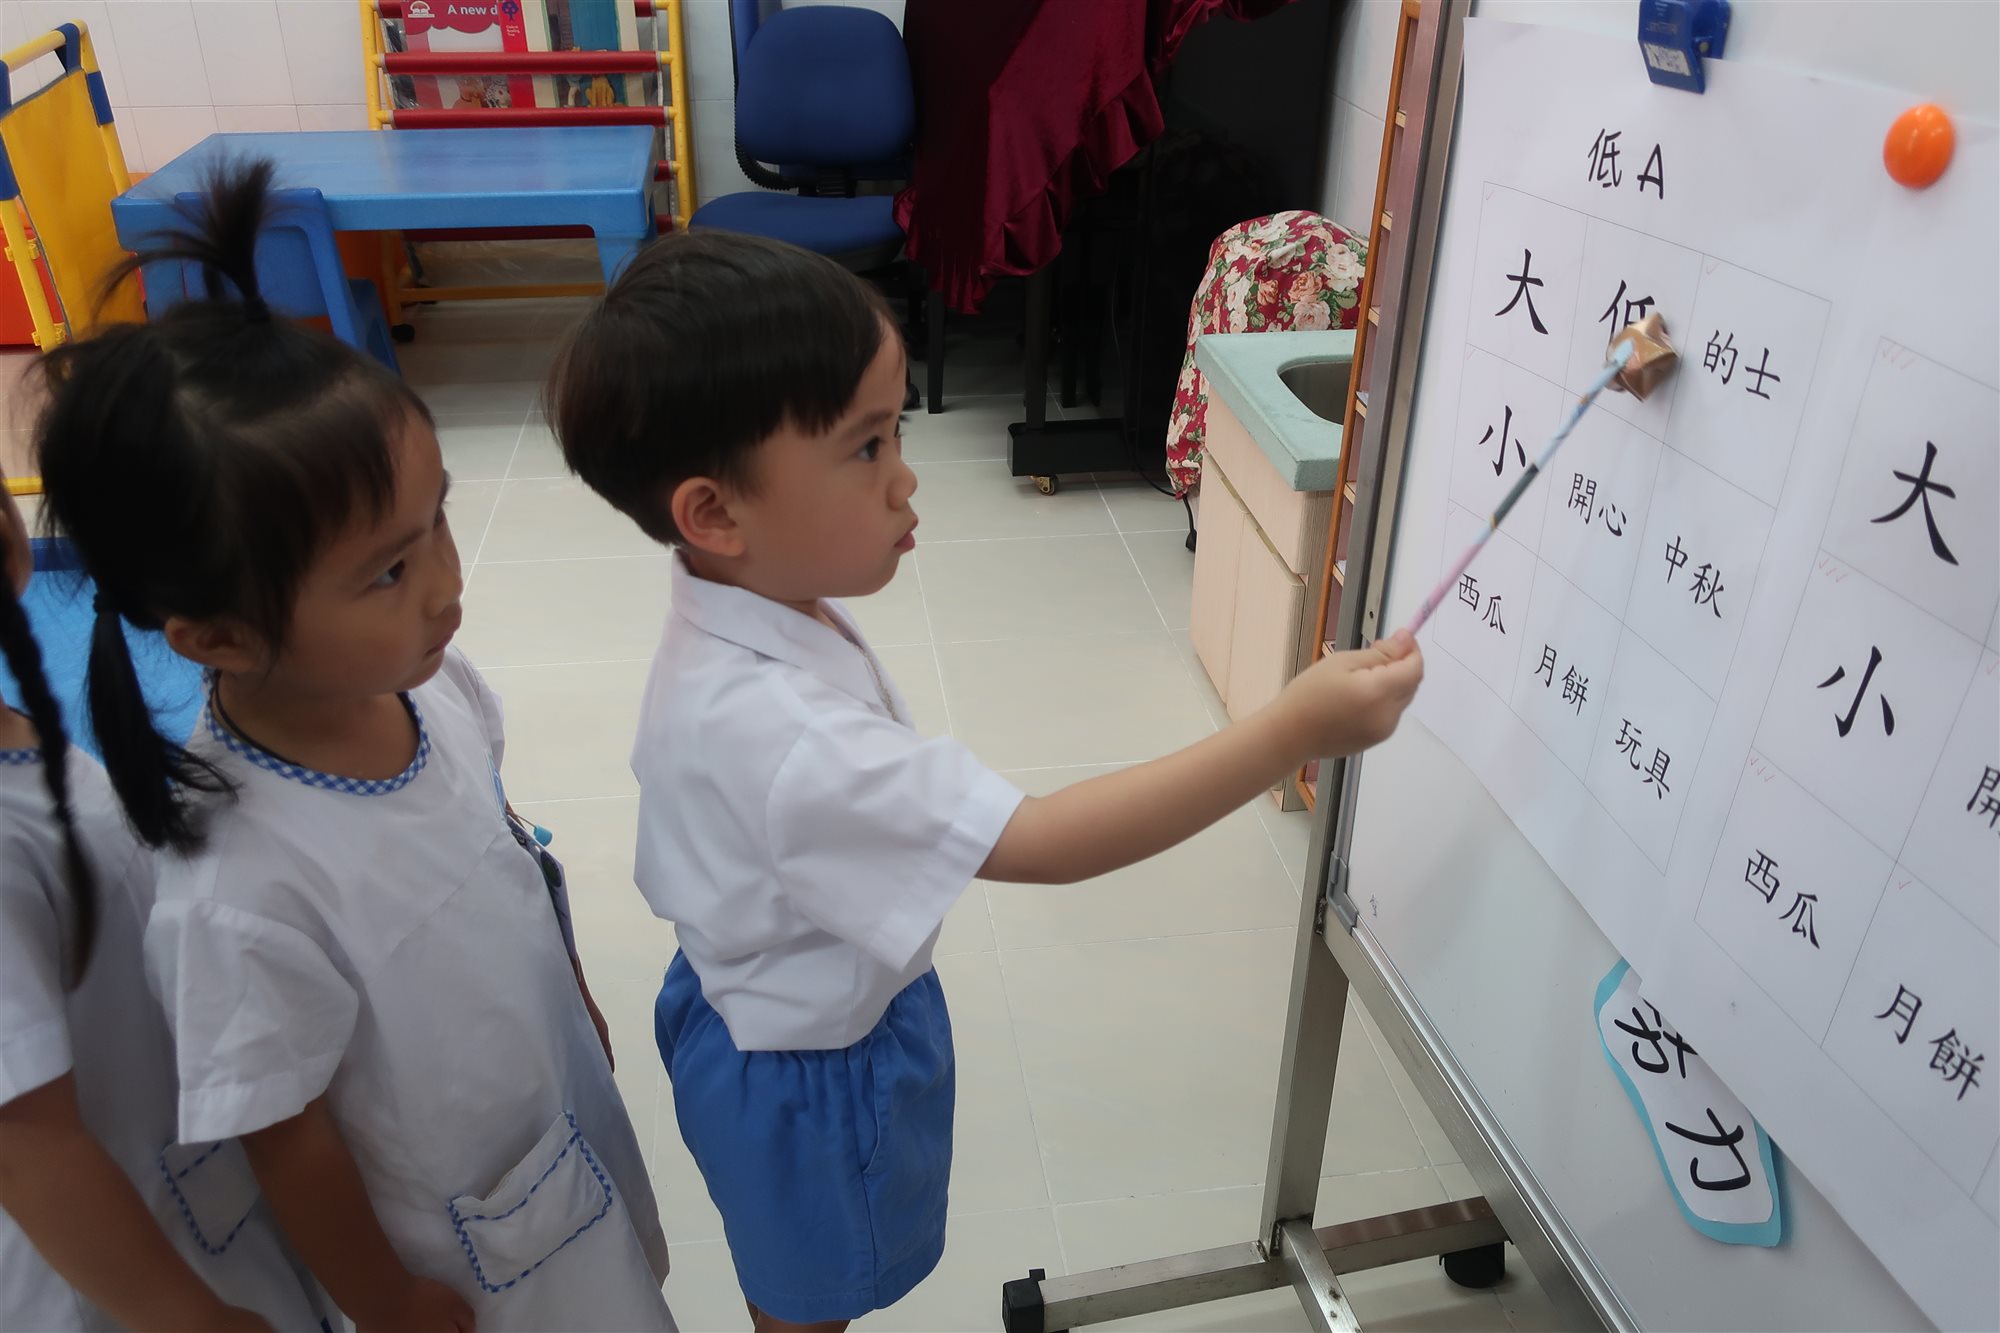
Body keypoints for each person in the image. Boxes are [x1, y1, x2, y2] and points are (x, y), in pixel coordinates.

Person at [546, 231, 1425, 1333]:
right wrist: (1290, 726)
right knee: (808, 1305)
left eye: (896, 431)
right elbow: (1045, 839)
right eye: (866, 447)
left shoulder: (740, 599)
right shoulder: (789, 742)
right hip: (810, 1072)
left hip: (744, 996)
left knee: (799, 1280)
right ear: (715, 514)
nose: (905, 476)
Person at [32, 160, 674, 1332]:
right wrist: (386, 1300)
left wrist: (573, 997)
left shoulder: (431, 689)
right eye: (386, 569)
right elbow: (285, 1136)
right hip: (455, 1242)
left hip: (550, 1129)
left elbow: (504, 850)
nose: (444, 585)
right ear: (217, 634)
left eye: (438, 521)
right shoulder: (238, 893)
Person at [0, 483, 328, 1331]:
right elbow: (24, 1141)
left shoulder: (22, 740)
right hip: (118, 1284)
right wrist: (191, 1318)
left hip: (189, 1188)